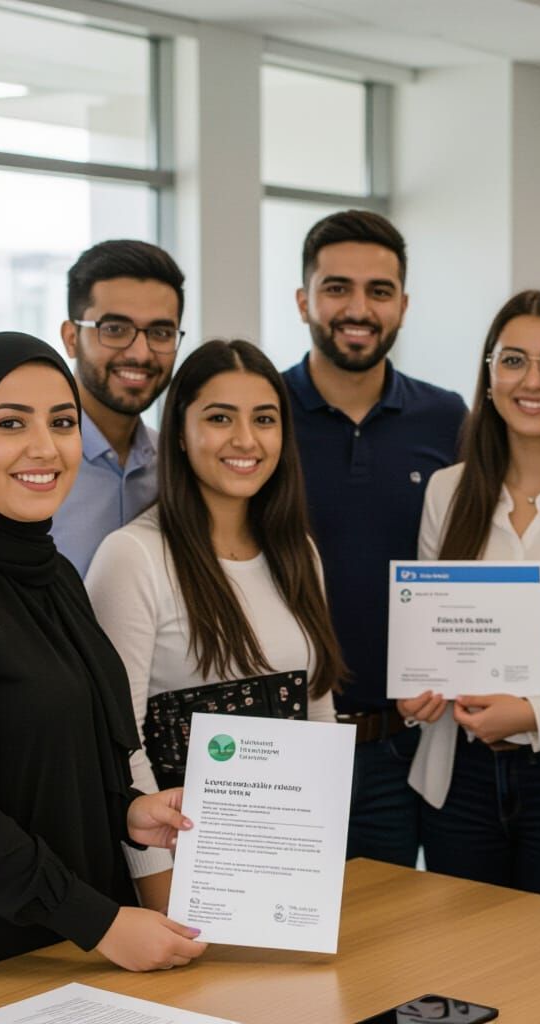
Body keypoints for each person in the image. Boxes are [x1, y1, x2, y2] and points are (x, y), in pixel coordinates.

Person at [0, 333, 207, 985]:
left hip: (75, 941)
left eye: (63, 422)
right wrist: (99, 922)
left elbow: (50, 760)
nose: (44, 447)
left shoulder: (53, 574)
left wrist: (127, 812)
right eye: (11, 422)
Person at [397, 290, 540, 900]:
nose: (533, 381)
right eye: (513, 360)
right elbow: (430, 642)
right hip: (458, 781)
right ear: (489, 373)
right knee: (463, 975)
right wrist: (419, 695)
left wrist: (533, 716)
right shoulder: (447, 493)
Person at [86, 340, 343, 865]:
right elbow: (120, 744)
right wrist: (155, 881)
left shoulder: (299, 554)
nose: (245, 439)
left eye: (264, 419)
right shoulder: (133, 556)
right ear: (179, 432)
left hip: (285, 861)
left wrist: (321, 856)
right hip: (177, 862)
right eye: (220, 418)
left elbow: (319, 716)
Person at [283, 211, 467, 866]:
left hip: (403, 746)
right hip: (284, 746)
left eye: (379, 291)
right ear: (304, 298)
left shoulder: (446, 418)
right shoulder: (261, 418)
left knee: (399, 946)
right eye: (337, 288)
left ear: (403, 306)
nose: (357, 308)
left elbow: (475, 562)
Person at [53, 239, 185, 577]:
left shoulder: (176, 467)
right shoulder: (28, 464)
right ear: (71, 338)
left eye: (160, 332)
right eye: (114, 329)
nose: (140, 353)